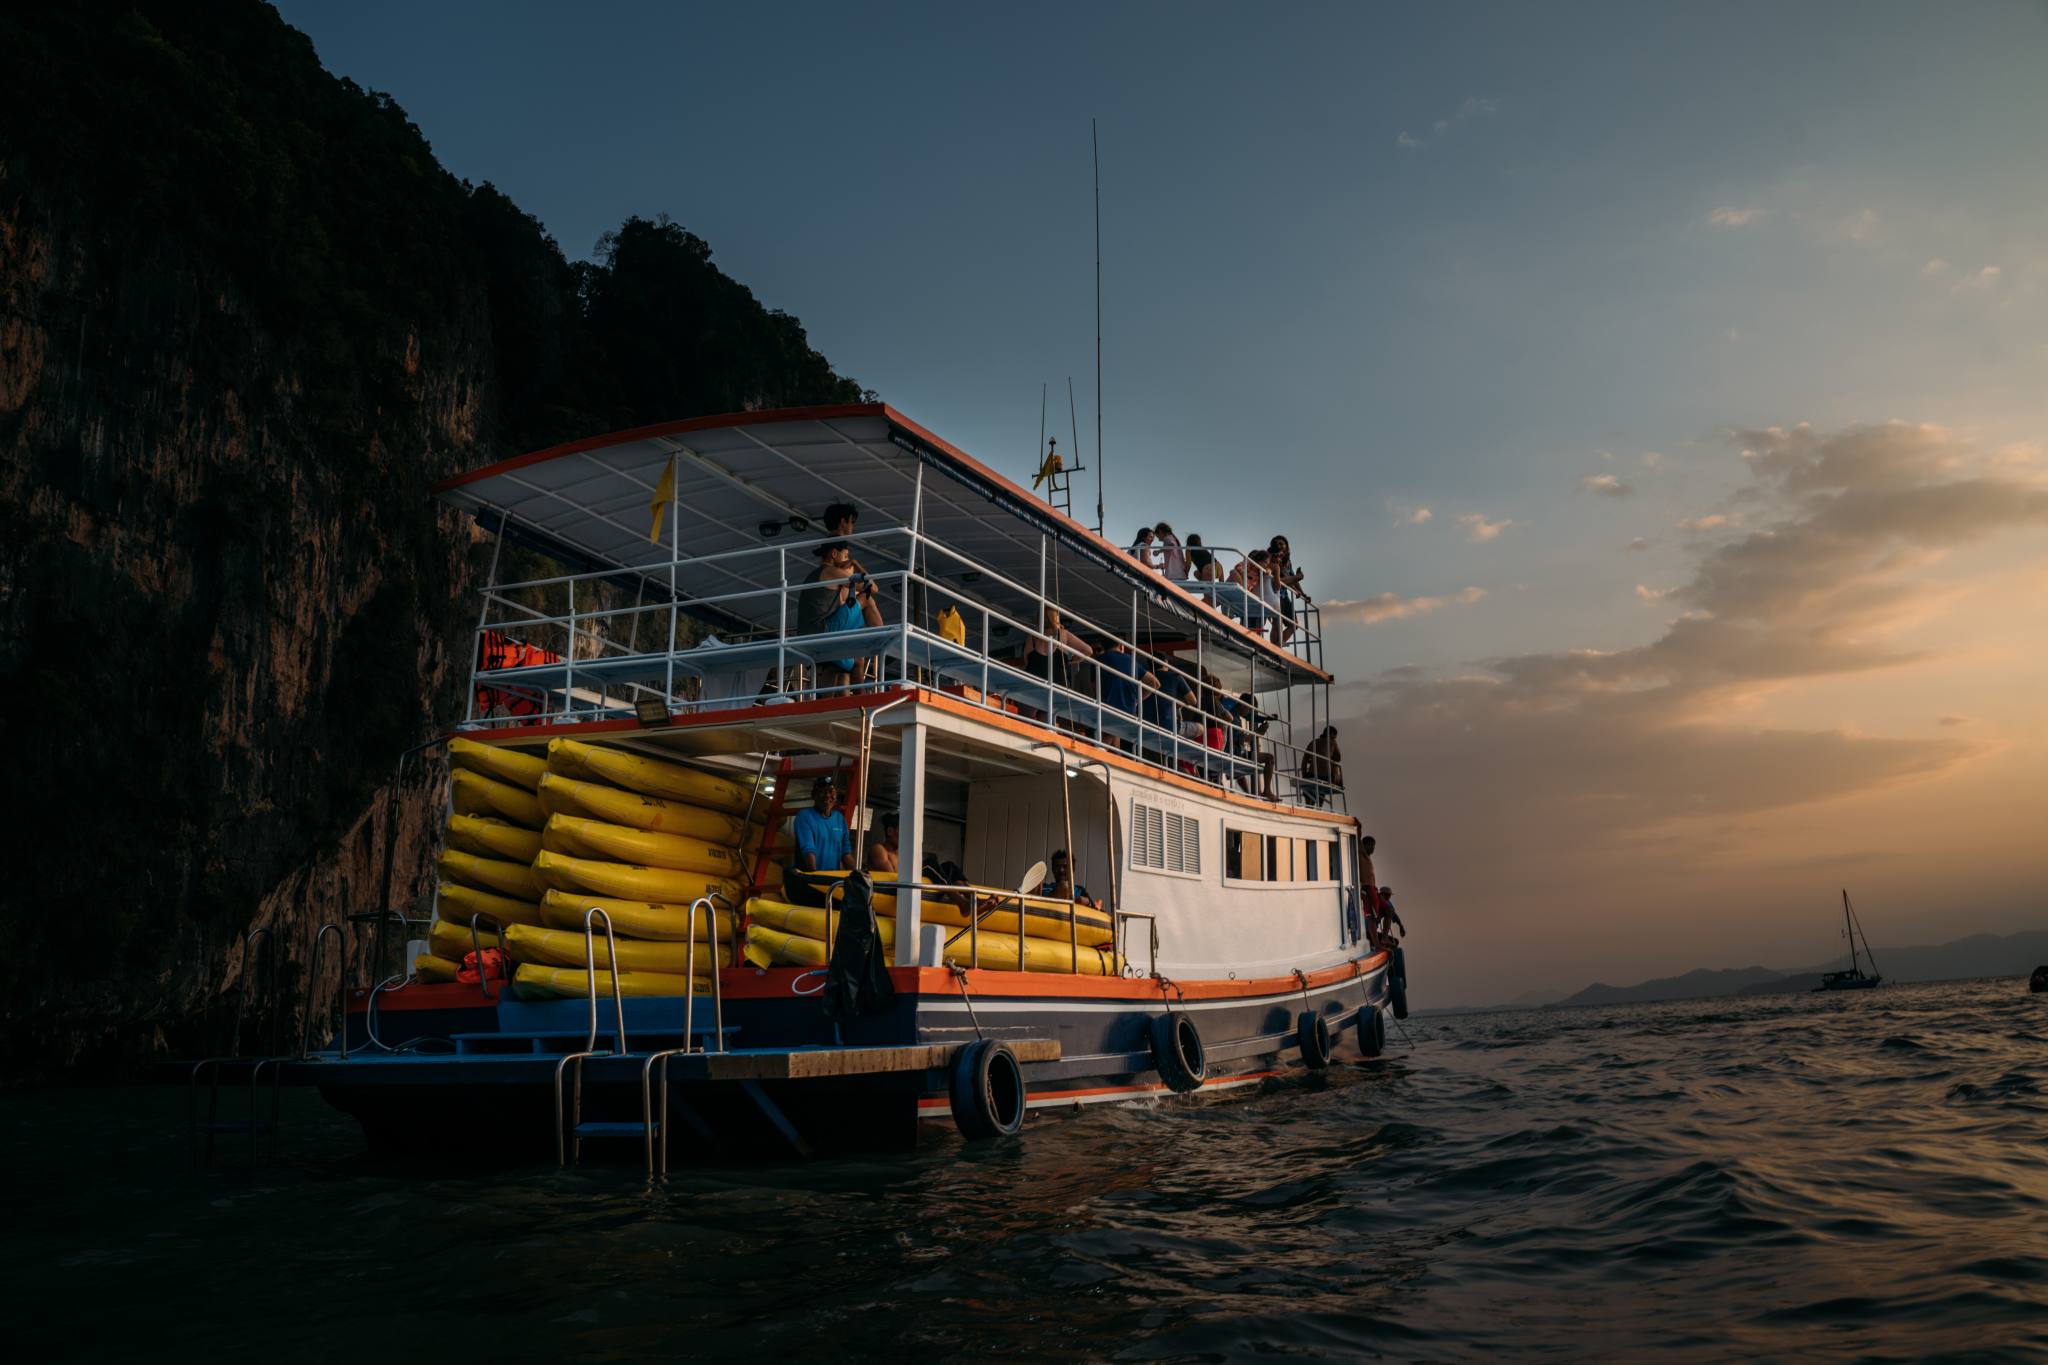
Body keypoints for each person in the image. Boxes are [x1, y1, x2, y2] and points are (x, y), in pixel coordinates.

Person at [799, 541, 881, 691]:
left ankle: (857, 700)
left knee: (855, 660)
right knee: (867, 598)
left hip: (809, 633)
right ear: (834, 554)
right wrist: (855, 565)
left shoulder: (817, 574)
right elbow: (872, 588)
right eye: (846, 556)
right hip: (822, 630)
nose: (847, 560)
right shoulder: (831, 572)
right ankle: (881, 640)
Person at [787, 774, 852, 907]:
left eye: (831, 792)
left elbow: (846, 853)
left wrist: (859, 876)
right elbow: (808, 850)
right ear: (814, 795)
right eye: (822, 792)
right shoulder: (804, 817)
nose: (828, 796)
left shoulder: (839, 819)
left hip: (833, 884)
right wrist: (816, 881)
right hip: (811, 883)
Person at [1268, 535, 1305, 645]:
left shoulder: (1287, 562)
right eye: (1277, 543)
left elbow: (1292, 577)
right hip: (1274, 593)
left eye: (1281, 543)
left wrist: (1303, 593)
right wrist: (1297, 577)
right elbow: (1280, 580)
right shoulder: (1271, 558)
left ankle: (1278, 644)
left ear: (1286, 546)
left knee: (1293, 624)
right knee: (1276, 623)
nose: (1279, 545)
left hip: (1284, 596)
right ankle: (1275, 646)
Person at [1229, 549, 1270, 632]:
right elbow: (1237, 567)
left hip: (1250, 591)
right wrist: (1244, 575)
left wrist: (1268, 571)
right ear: (1259, 560)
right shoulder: (1248, 564)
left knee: (1252, 620)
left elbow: (1268, 572)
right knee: (1232, 572)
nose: (1266, 565)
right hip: (1243, 585)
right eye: (1265, 562)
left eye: (1267, 563)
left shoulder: (1261, 571)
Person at [1302, 725, 1342, 807]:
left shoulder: (1313, 742)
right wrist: (1330, 757)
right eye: (1334, 737)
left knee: (1311, 787)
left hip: (1311, 775)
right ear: (1331, 734)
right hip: (1325, 777)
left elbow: (1304, 760)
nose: (1334, 739)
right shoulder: (1332, 742)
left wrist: (1304, 775)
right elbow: (1338, 758)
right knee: (1322, 787)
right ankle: (1319, 807)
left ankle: (1309, 806)